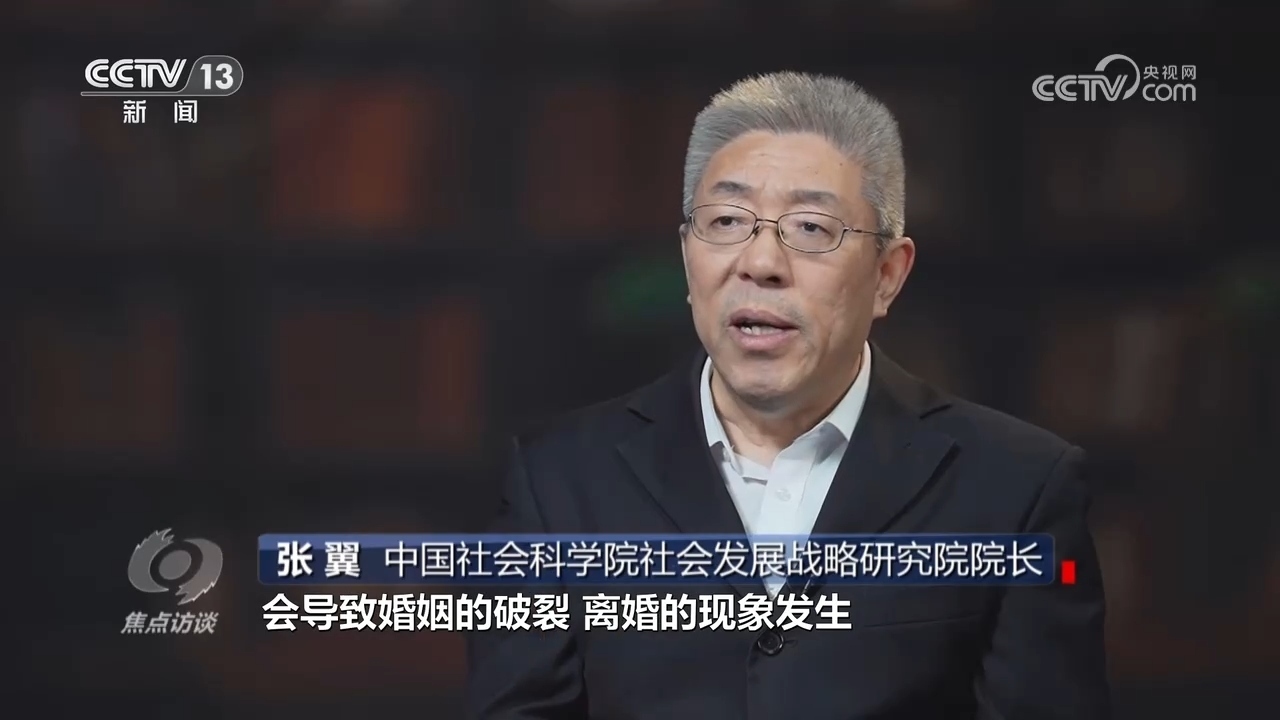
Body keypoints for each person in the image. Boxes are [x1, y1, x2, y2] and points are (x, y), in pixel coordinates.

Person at [466, 72, 1110, 719]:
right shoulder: (557, 482)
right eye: (726, 221)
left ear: (887, 275)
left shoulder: (1016, 489)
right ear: (687, 256)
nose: (761, 264)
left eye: (810, 228)